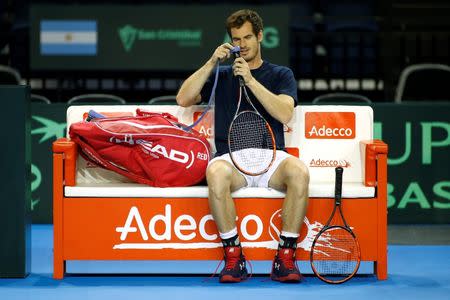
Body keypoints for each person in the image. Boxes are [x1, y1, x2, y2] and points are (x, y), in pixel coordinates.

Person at [176, 9, 309, 283]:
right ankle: (234, 257)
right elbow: (183, 98)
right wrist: (212, 62)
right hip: (231, 158)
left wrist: (250, 80)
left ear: (260, 36)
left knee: (299, 172)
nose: (243, 44)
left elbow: (285, 113)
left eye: (248, 37)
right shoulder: (222, 76)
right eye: (237, 39)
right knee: (215, 173)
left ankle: (285, 257)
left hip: (271, 158)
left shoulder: (281, 74)